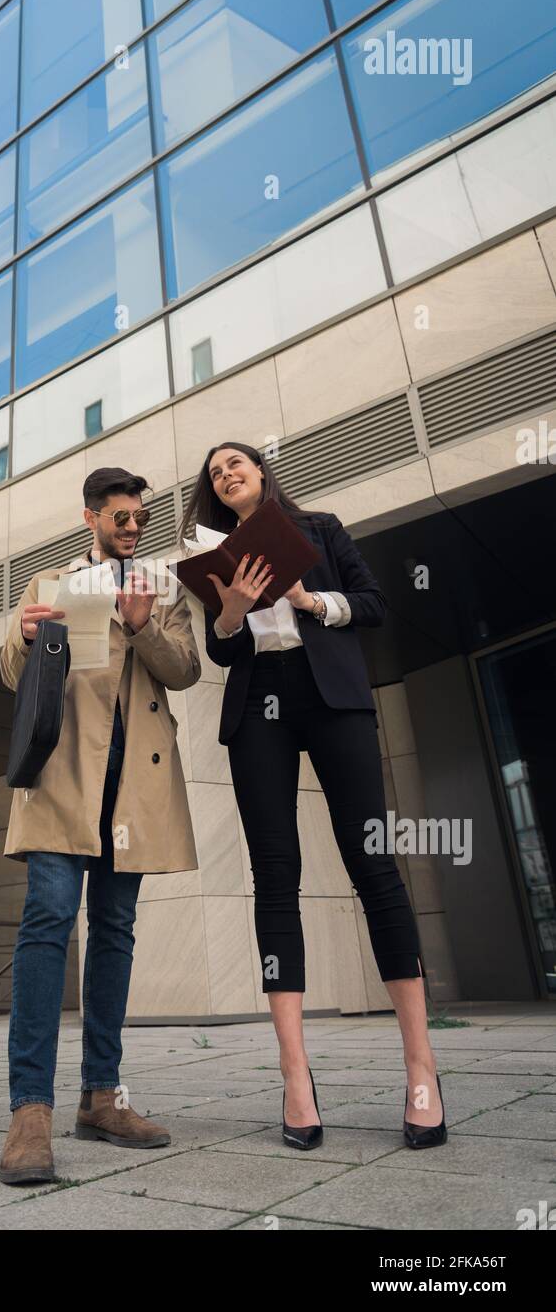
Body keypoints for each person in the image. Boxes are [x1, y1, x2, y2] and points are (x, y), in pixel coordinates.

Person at [184, 441, 446, 1152]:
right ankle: (294, 1076)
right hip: (258, 707)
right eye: (213, 472)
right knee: (274, 876)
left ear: (262, 473)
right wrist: (231, 611)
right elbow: (221, 652)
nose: (225, 474)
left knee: (375, 868)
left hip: (331, 696)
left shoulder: (321, 529)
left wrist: (307, 599)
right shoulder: (210, 555)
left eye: (234, 463)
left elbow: (373, 604)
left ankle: (420, 1068)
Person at [0, 467, 201, 1184]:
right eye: (119, 515)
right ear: (90, 518)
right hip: (62, 777)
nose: (131, 525)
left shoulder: (164, 587)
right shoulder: (48, 583)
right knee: (48, 917)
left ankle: (102, 1097)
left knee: (114, 931)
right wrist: (23, 638)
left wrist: (144, 628)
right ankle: (30, 1113)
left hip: (133, 785)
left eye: (138, 516)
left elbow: (184, 671)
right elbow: (8, 670)